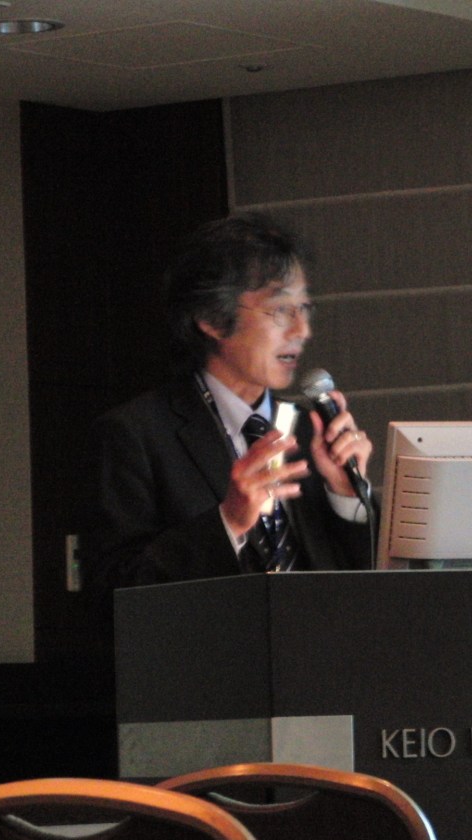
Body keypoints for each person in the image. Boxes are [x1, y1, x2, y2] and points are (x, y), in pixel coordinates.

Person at [83, 212, 376, 598]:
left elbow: (366, 586)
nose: (302, 331)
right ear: (212, 319)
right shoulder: (135, 434)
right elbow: (116, 590)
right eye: (280, 310)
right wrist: (228, 522)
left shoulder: (312, 431)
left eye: (305, 309)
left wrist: (346, 494)